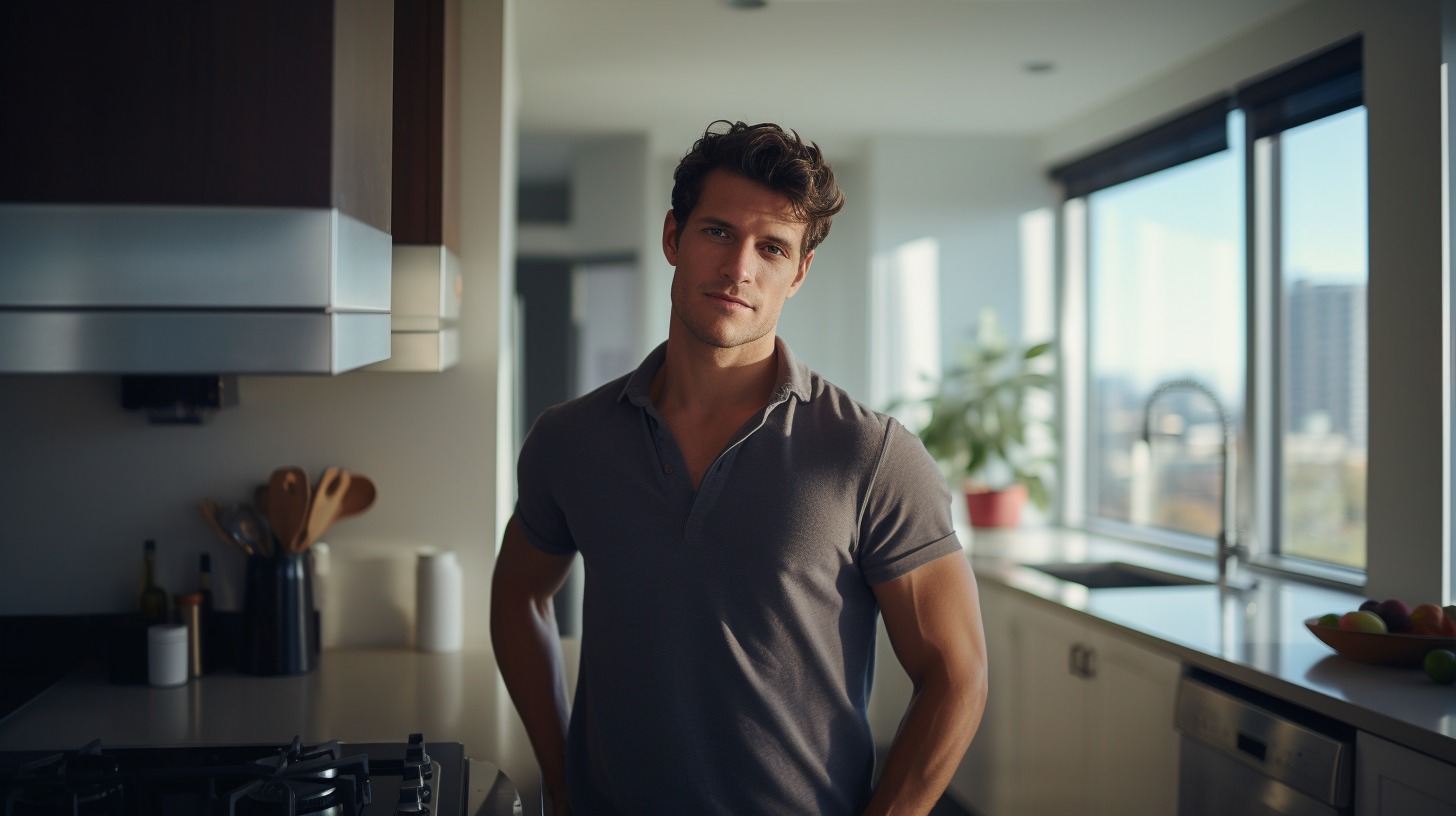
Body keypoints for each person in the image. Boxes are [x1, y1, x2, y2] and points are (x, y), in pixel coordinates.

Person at [491, 121, 988, 816]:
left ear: (799, 272)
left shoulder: (871, 455)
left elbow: (957, 674)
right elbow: (518, 596)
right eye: (718, 232)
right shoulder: (569, 440)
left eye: (772, 247)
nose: (739, 269)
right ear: (674, 237)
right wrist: (562, 774)